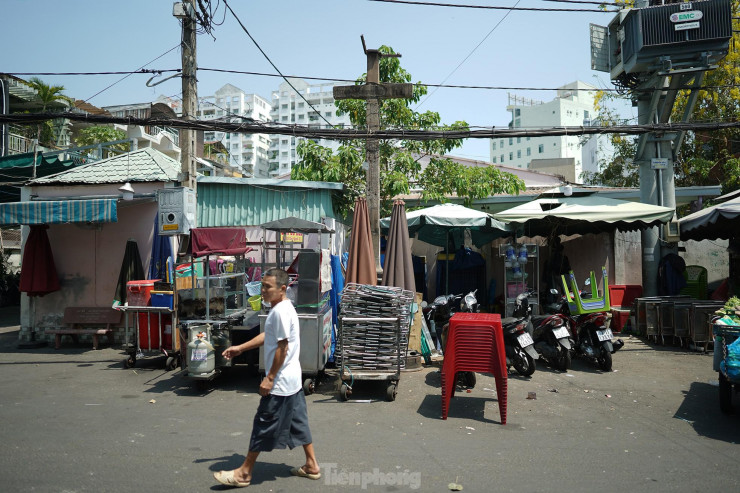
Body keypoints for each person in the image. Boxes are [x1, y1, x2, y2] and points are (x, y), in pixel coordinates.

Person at [213, 268, 320, 488]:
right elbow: (269, 335)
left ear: (282, 289)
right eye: (262, 285)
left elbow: (282, 346)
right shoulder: (283, 307)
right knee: (298, 423)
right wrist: (241, 348)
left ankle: (244, 473)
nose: (262, 290)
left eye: (267, 287)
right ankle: (312, 465)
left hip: (280, 383)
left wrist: (270, 377)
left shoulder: (280, 311)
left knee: (263, 424)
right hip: (293, 381)